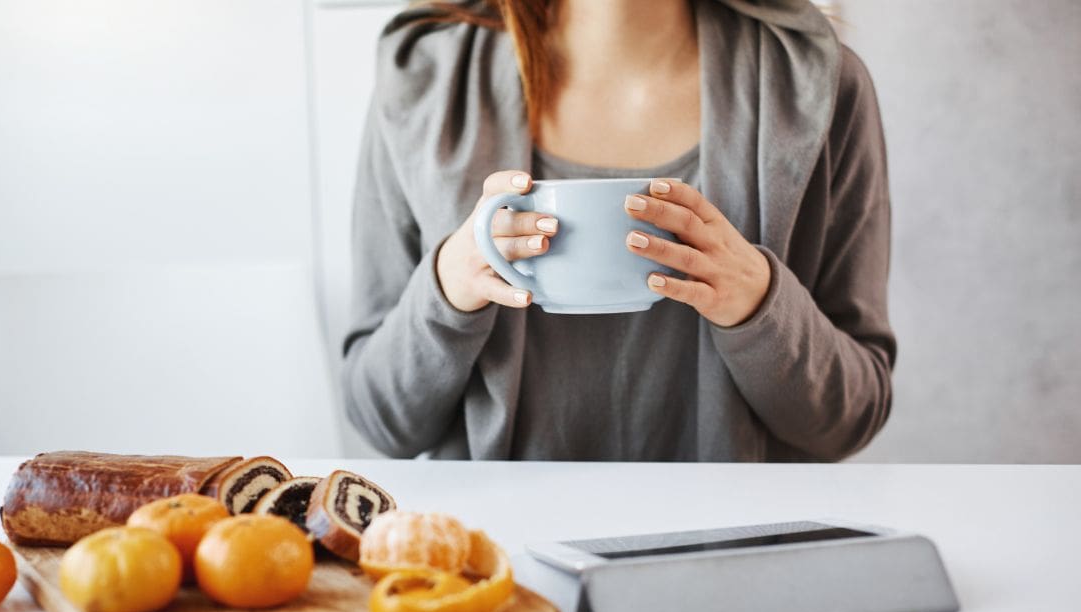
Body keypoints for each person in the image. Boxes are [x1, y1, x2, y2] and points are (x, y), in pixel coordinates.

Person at [342, 0, 894, 462]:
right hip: (500, 571)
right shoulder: (422, 83)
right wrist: (448, 288)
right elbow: (383, 420)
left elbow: (851, 418)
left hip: (735, 564)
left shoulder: (825, 87)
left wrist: (760, 307)